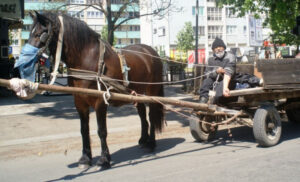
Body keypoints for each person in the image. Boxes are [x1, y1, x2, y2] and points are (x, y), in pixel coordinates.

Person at [199, 37, 236, 104]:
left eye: (220, 47)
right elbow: (207, 73)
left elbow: (229, 71)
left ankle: (215, 102)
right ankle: (203, 100)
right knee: (206, 82)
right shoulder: (210, 59)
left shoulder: (230, 56)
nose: (218, 49)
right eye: (216, 47)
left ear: (224, 48)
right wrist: (216, 72)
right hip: (214, 79)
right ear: (213, 50)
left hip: (227, 79)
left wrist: (225, 87)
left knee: (220, 86)